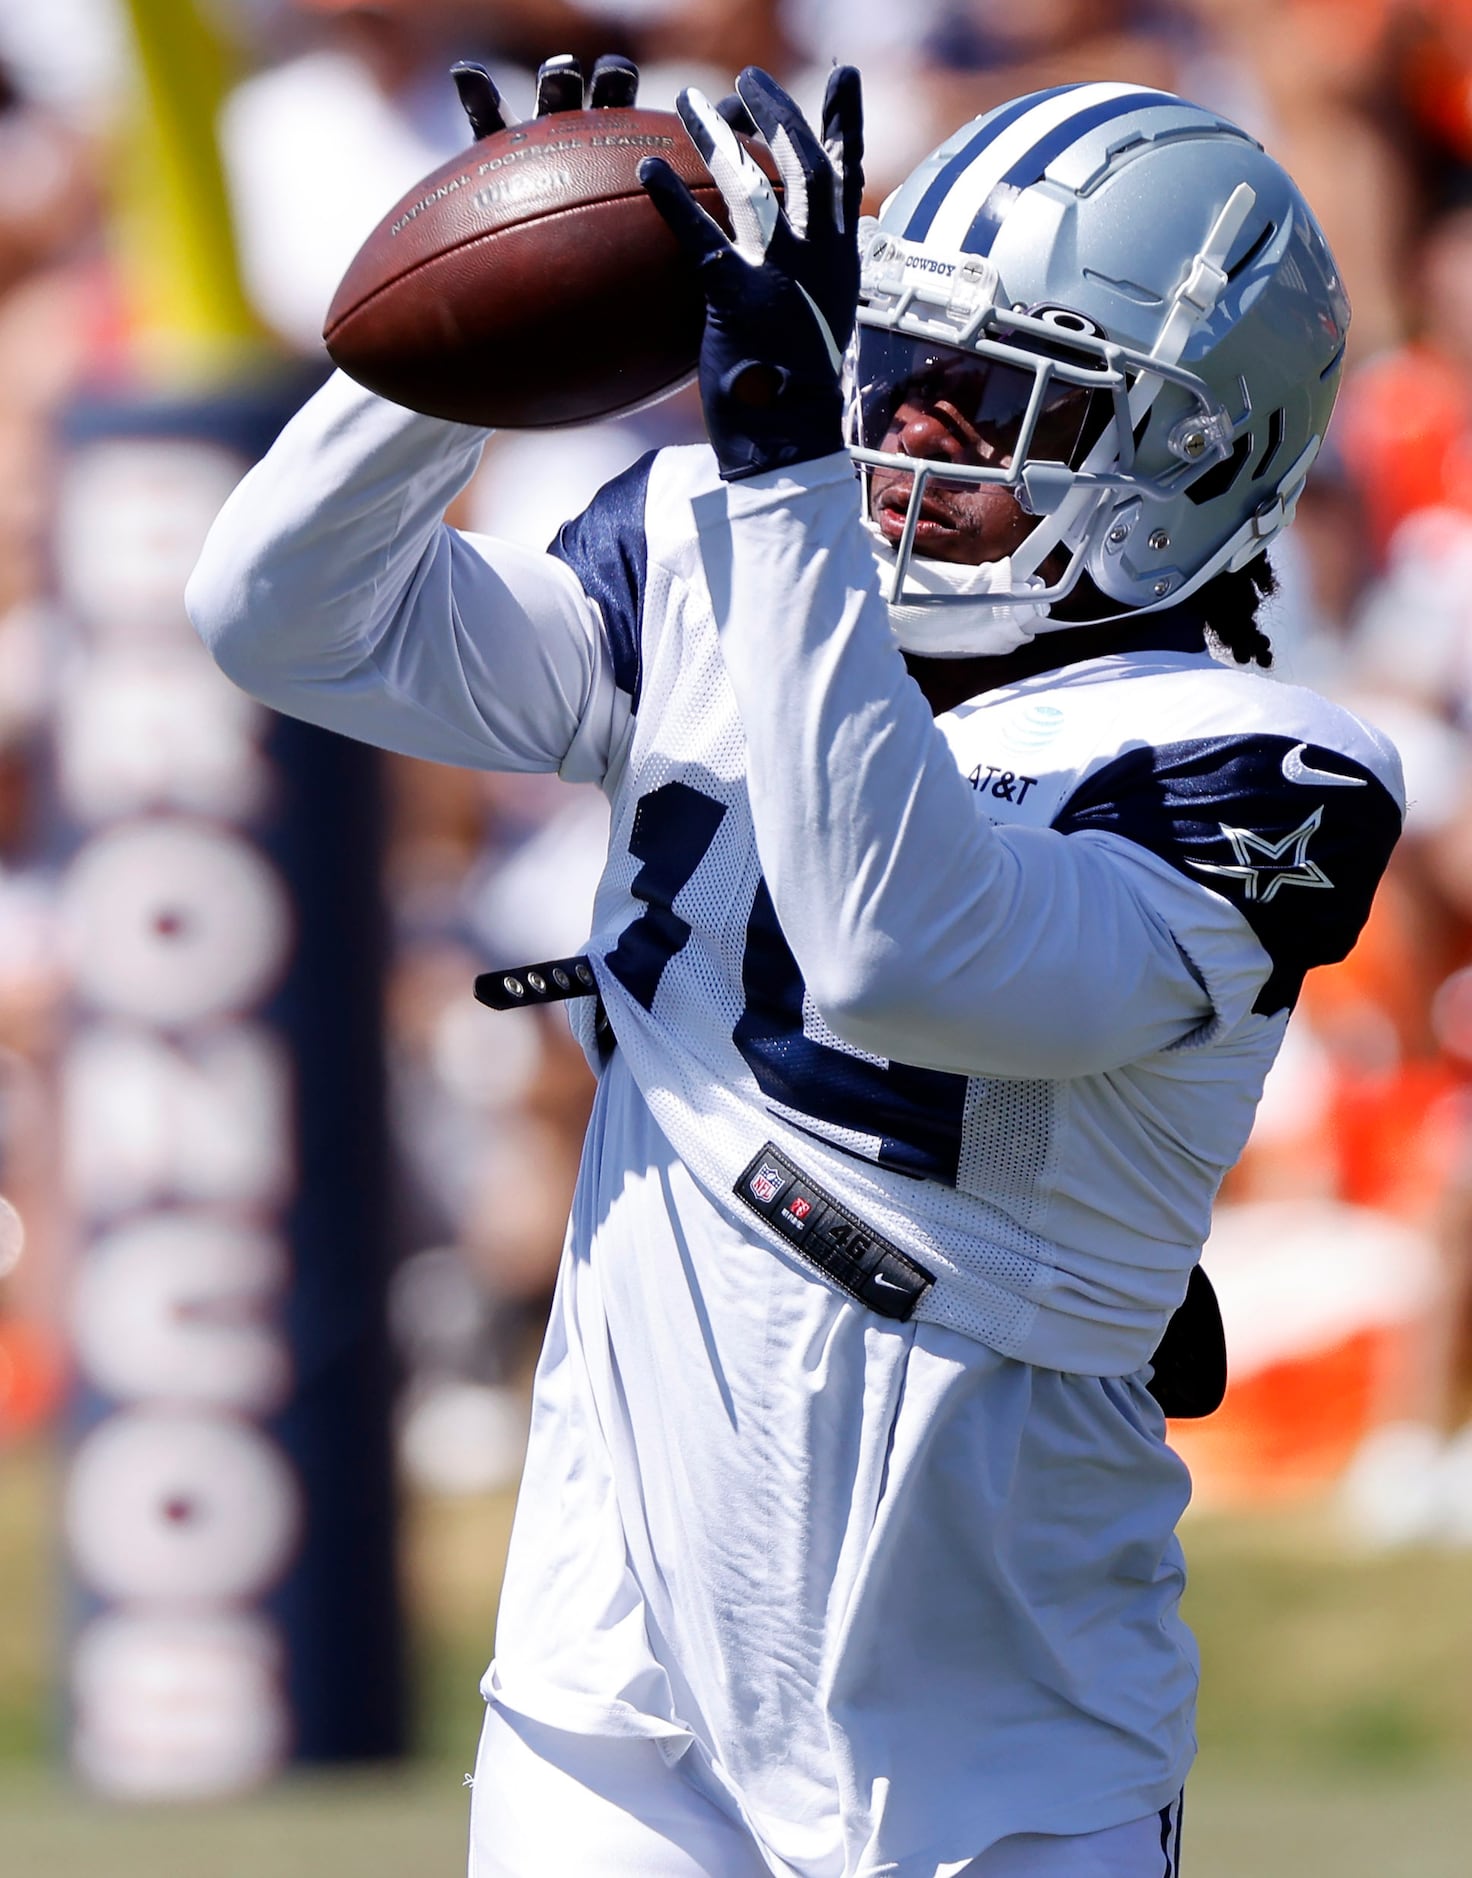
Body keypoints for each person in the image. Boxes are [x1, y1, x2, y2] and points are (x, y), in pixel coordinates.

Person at [187, 55, 1403, 1878]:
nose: (903, 424)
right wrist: (471, 344)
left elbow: (901, 952)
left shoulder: (1250, 761)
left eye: (990, 395)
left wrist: (787, 482)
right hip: (620, 1686)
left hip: (1000, 1721)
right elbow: (282, 613)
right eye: (890, 355)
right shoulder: (716, 553)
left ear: (1184, 458)